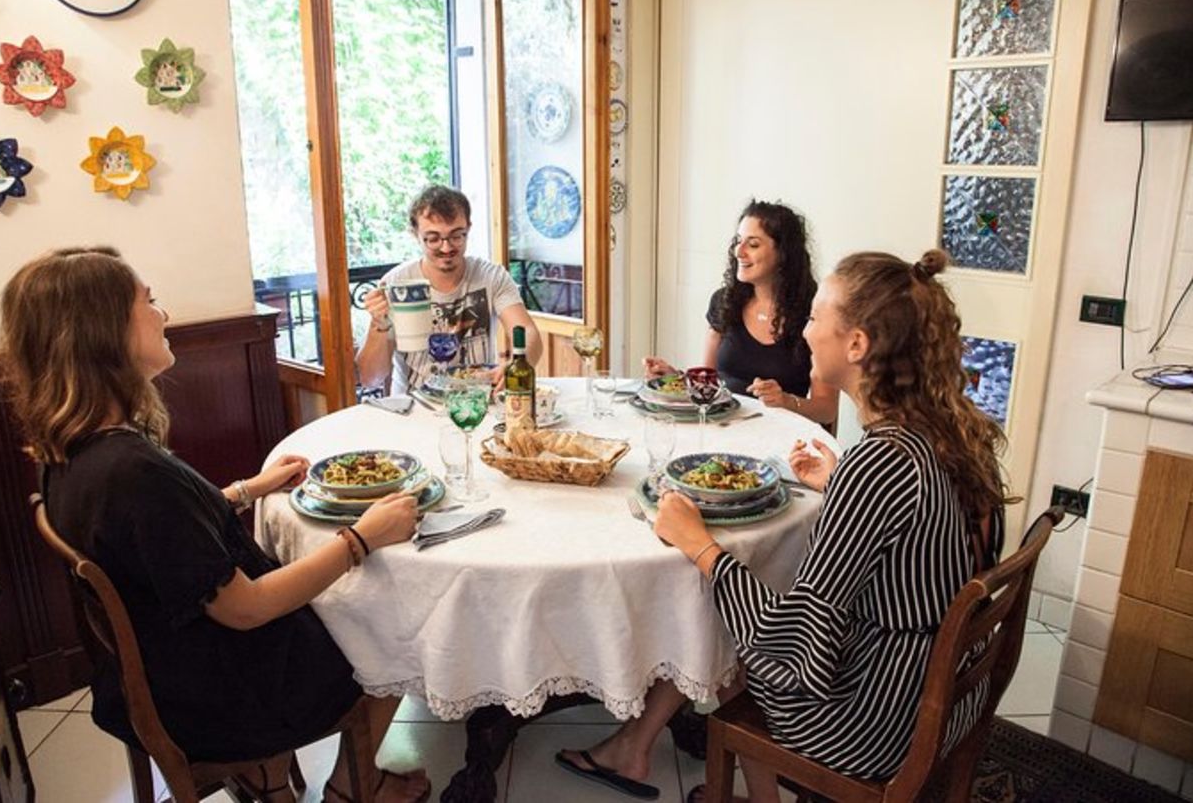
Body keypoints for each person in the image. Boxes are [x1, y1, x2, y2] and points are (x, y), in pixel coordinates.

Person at [560, 249, 1006, 802]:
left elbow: (794, 645)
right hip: (944, 696)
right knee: (742, 596)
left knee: (721, 612)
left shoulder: (880, 464)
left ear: (858, 345)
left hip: (875, 722)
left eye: (816, 320)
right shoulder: (935, 435)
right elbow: (910, 526)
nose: (804, 335)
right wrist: (841, 485)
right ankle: (641, 747)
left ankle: (639, 749)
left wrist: (697, 543)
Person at [0, 247, 431, 803]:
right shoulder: (133, 472)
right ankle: (356, 784)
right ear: (104, 333)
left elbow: (161, 539)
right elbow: (245, 608)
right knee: (391, 617)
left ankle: (269, 777)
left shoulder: (75, 451)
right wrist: (362, 537)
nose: (163, 314)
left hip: (175, 661)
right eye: (148, 302)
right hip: (222, 689)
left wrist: (246, 491)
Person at [643, 200, 837, 425]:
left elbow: (827, 410)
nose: (738, 251)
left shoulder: (814, 316)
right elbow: (708, 384)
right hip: (724, 430)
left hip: (783, 440)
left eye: (753, 245)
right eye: (738, 241)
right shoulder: (724, 302)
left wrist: (785, 401)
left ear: (784, 254)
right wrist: (674, 378)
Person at [355, 185, 541, 395]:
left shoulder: (492, 276)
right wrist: (377, 325)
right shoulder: (395, 284)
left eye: (456, 236)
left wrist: (518, 364)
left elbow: (528, 331)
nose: (446, 248)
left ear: (468, 228)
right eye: (433, 239)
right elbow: (370, 379)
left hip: (475, 406)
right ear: (415, 233)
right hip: (413, 412)